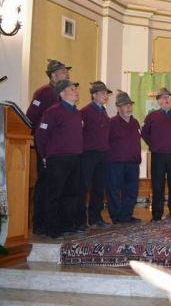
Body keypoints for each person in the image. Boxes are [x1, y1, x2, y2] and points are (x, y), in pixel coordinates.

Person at [26, 59, 71, 235]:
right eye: (63, 71)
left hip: (60, 148)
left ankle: (55, 221)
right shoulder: (43, 92)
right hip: (46, 146)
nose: (67, 73)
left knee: (58, 186)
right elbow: (30, 117)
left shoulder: (64, 93)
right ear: (53, 75)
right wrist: (36, 142)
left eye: (66, 71)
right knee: (45, 184)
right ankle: (40, 223)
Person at [35, 80, 83, 238]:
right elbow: (41, 135)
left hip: (75, 158)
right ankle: (52, 228)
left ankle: (66, 224)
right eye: (72, 89)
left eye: (75, 88)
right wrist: (43, 155)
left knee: (71, 193)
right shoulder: (52, 111)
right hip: (58, 159)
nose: (75, 91)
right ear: (62, 93)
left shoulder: (76, 112)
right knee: (54, 194)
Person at [141, 87, 171, 221]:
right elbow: (144, 133)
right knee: (157, 185)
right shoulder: (152, 116)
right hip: (158, 156)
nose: (167, 100)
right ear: (158, 101)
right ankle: (157, 214)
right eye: (164, 97)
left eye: (169, 97)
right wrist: (153, 145)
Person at [79, 81, 112, 228]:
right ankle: (80, 220)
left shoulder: (104, 112)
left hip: (102, 154)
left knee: (99, 187)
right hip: (88, 154)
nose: (106, 96)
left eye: (106, 93)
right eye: (103, 93)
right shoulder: (85, 112)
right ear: (94, 95)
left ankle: (95, 218)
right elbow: (79, 133)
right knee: (84, 187)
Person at [106, 90, 141, 224]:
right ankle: (116, 217)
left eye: (130, 105)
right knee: (114, 191)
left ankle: (126, 216)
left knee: (131, 191)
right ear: (118, 107)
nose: (129, 107)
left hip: (132, 163)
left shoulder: (135, 122)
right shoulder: (111, 123)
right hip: (115, 164)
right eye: (125, 105)